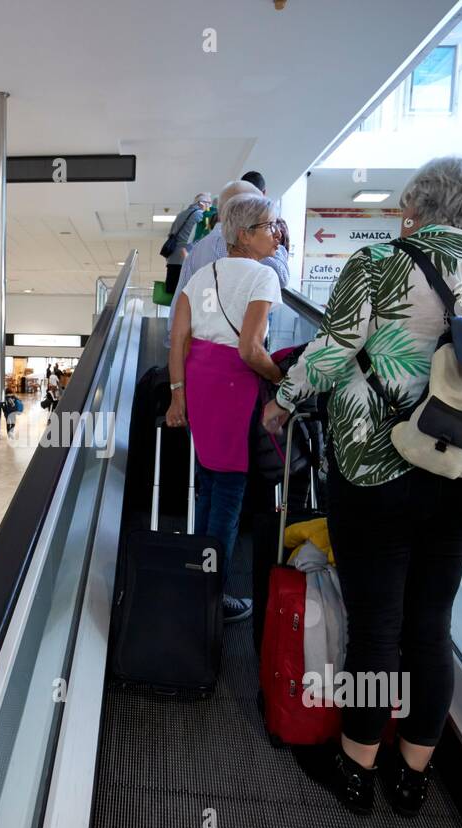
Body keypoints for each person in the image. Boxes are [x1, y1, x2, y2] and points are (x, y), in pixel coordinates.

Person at [263, 156, 462, 817]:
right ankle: (413, 775)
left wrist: (282, 399)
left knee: (376, 626)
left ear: (415, 207)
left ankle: (356, 766)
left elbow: (334, 352)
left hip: (376, 470)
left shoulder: (378, 264)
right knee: (431, 624)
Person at [166, 192, 286, 625]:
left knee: (208, 486)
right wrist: (282, 380)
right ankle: (211, 595)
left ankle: (195, 581)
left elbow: (178, 340)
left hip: (200, 382)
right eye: (270, 227)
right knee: (229, 493)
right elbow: (251, 349)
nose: (277, 235)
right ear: (243, 234)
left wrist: (178, 395)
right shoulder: (264, 277)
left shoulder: (200, 277)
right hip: (236, 384)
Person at [173, 178, 297, 348]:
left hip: (199, 354)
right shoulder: (259, 262)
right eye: (267, 224)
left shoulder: (197, 251)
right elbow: (281, 277)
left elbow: (178, 311)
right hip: (239, 356)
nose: (276, 233)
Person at [162, 192, 212, 291]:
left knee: (172, 292)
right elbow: (202, 237)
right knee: (186, 293)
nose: (210, 206)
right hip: (186, 258)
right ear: (201, 203)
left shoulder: (181, 214)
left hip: (172, 259)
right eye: (209, 203)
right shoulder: (200, 215)